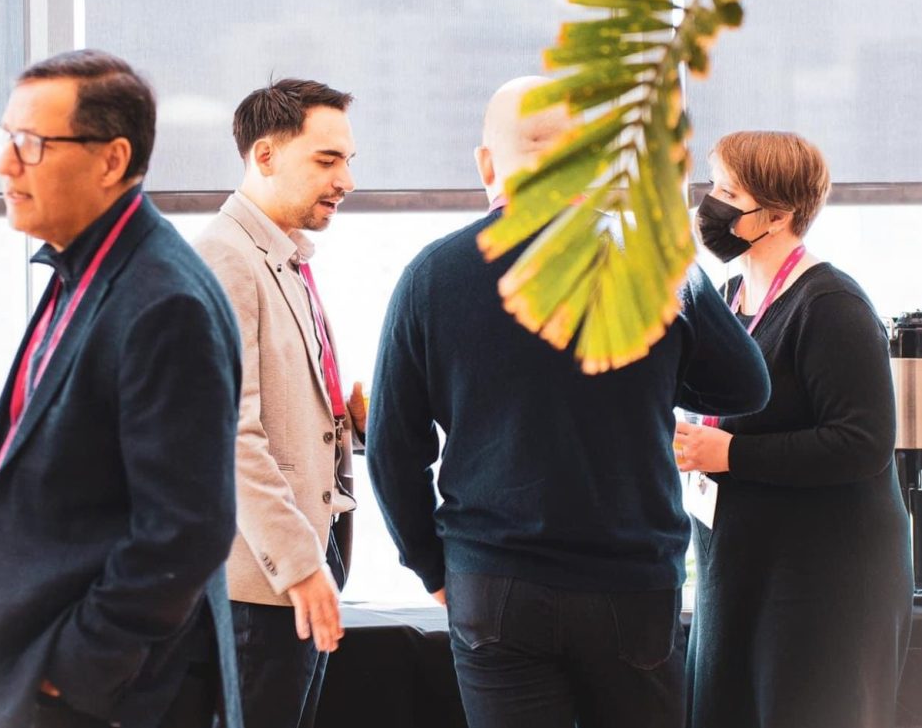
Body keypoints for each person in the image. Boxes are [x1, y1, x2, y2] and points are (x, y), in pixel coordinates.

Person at [366, 76, 771, 728]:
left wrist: (431, 567)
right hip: (631, 580)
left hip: (493, 582)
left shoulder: (431, 275)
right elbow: (746, 386)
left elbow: (391, 450)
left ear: (487, 164)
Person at [0, 50, 242, 728]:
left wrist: (73, 673)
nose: (5, 165)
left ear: (111, 160)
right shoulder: (86, 267)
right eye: (4, 139)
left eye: (31, 143)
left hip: (105, 696)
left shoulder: (163, 301)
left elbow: (186, 531)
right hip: (41, 671)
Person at [678, 130, 913, 728]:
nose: (710, 205)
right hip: (742, 572)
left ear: (779, 215)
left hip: (819, 584)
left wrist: (732, 454)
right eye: (714, 186)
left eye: (730, 193)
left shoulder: (830, 305)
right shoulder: (730, 296)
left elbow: (861, 443)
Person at [193, 78, 366, 728]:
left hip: (304, 555)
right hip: (263, 577)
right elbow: (228, 435)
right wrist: (298, 567)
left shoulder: (281, 256)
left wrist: (348, 424)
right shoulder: (225, 257)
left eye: (348, 160)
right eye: (327, 159)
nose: (346, 180)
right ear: (264, 155)